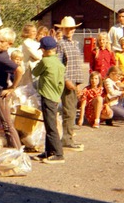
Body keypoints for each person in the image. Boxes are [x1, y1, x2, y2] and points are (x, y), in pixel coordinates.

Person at [31, 36, 66, 164]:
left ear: (45, 50)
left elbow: (35, 72)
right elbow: (61, 83)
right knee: (49, 124)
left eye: (42, 50)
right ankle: (48, 151)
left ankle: (58, 153)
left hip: (47, 96)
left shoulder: (45, 62)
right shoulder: (59, 63)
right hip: (56, 96)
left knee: (51, 126)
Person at [56, 16, 85, 151]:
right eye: (67, 29)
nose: (69, 31)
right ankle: (67, 139)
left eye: (71, 28)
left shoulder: (75, 44)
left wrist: (78, 84)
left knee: (72, 110)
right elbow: (59, 64)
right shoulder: (60, 44)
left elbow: (77, 65)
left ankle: (68, 137)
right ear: (62, 29)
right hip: (67, 81)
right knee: (69, 111)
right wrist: (66, 79)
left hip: (75, 81)